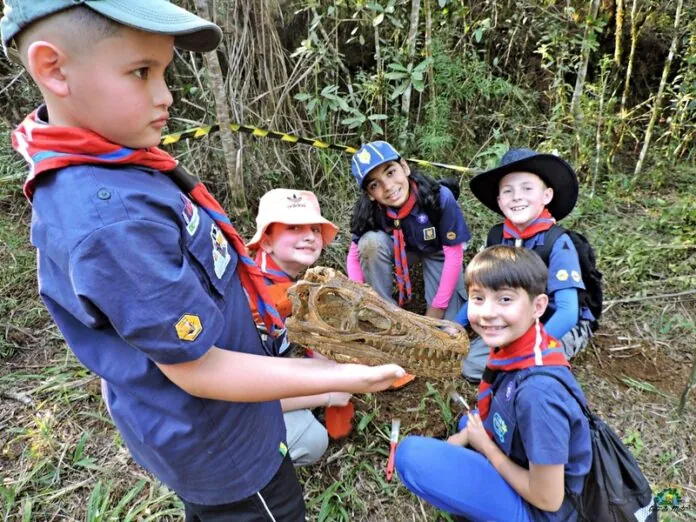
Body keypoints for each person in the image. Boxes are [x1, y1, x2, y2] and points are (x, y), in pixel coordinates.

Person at [1, 2, 404, 520]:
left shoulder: (120, 161)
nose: (164, 95)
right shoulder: (112, 218)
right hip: (226, 444)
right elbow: (200, 371)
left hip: (230, 417)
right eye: (140, 72)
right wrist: (345, 376)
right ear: (54, 69)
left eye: (164, 71)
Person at [395, 246, 592, 522]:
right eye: (478, 298)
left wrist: (485, 446)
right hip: (529, 467)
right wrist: (467, 436)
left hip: (546, 513)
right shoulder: (521, 347)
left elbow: (549, 499)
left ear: (538, 306)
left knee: (410, 456)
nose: (487, 312)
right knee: (468, 425)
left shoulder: (538, 394)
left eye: (505, 299)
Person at [458, 148, 595, 382]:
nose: (517, 196)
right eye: (508, 191)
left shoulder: (558, 243)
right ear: (500, 201)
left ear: (547, 196)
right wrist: (455, 326)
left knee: (524, 372)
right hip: (514, 314)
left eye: (527, 188)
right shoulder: (498, 237)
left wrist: (527, 347)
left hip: (552, 321)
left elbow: (567, 312)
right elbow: (480, 290)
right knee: (470, 367)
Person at [348, 141, 471, 386]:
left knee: (443, 328)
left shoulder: (438, 197)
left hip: (438, 251)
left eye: (390, 172)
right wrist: (361, 298)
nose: (388, 187)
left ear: (404, 167)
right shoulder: (372, 211)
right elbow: (354, 255)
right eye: (375, 184)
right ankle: (386, 315)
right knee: (370, 243)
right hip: (402, 249)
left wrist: (436, 309)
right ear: (370, 194)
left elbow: (454, 254)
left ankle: (432, 321)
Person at [247, 188, 353, 465]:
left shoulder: (285, 282)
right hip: (222, 406)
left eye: (315, 229)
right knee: (312, 439)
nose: (309, 236)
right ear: (266, 242)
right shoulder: (250, 298)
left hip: (262, 374)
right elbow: (243, 391)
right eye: (293, 227)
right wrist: (327, 395)